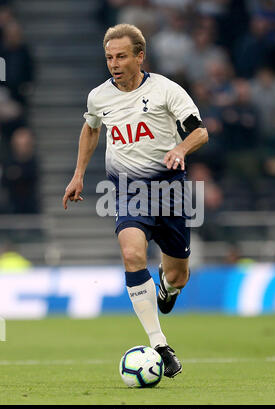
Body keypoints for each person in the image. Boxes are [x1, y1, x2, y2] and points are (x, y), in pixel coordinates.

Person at [62, 24, 208, 378]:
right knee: (131, 254)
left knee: (178, 276)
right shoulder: (99, 97)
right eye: (109, 57)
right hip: (128, 190)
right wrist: (78, 173)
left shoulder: (166, 90)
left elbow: (200, 131)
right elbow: (92, 127)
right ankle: (160, 344)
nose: (114, 63)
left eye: (122, 56)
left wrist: (180, 147)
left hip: (170, 190)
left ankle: (167, 286)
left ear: (140, 56)